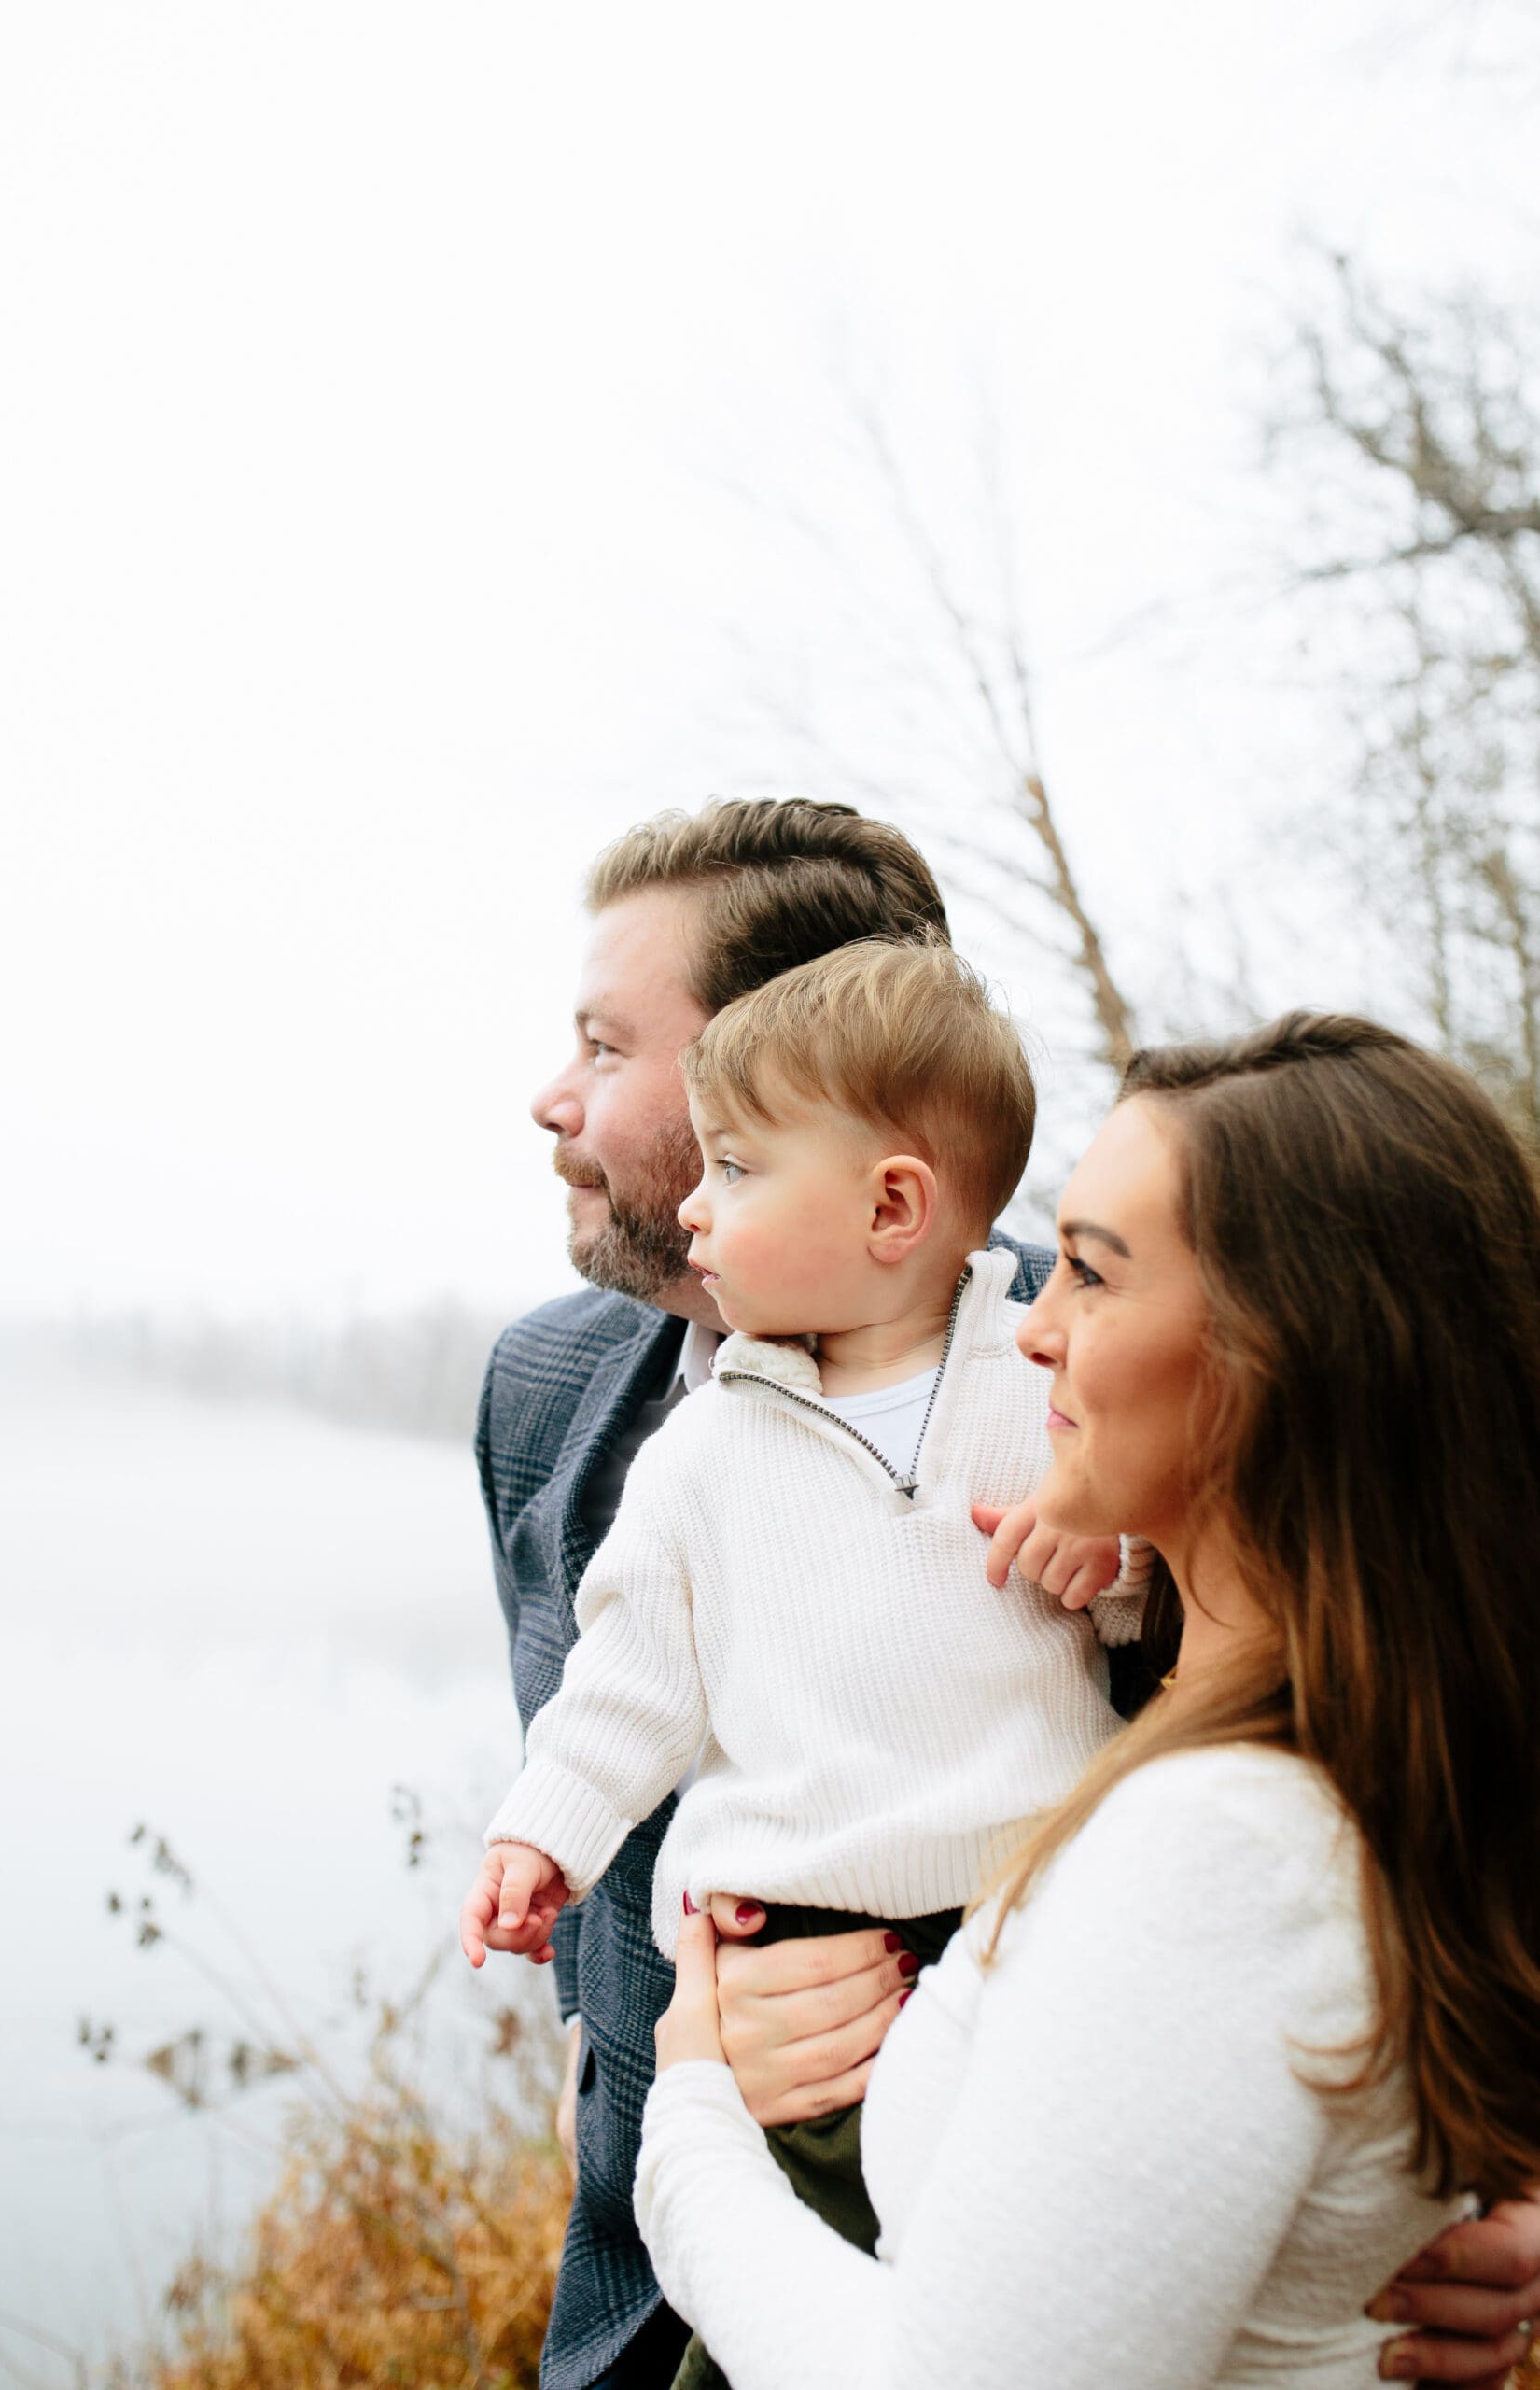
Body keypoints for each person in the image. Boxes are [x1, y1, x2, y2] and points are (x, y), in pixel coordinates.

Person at [479, 795, 1540, 2389]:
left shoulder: (1092, 1382)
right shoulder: (552, 1400)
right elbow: (600, 1768)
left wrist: (1491, 2167)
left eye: (611, 1046)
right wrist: (654, 2043)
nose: (549, 1096)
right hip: (667, 2278)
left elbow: (1401, 1736)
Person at [463, 941, 1146, 2298]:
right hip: (806, 1951)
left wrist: (1111, 1551)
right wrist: (545, 1832)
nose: (695, 1214)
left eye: (736, 1171)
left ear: (896, 1206)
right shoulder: (703, 1452)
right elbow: (627, 1685)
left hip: (1041, 1933)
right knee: (805, 2291)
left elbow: (1170, 1602)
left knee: (1029, 2286)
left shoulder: (1042, 1391)